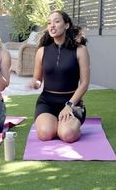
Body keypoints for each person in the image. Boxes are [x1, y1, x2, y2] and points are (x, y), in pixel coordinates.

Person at [29, 10, 90, 143]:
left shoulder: (80, 50)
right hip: (47, 102)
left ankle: (69, 126)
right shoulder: (42, 51)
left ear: (66, 25)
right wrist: (35, 83)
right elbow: (38, 79)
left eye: (56, 21)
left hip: (72, 102)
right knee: (45, 134)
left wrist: (69, 105)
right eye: (49, 23)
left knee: (67, 135)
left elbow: (84, 83)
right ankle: (56, 123)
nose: (52, 25)